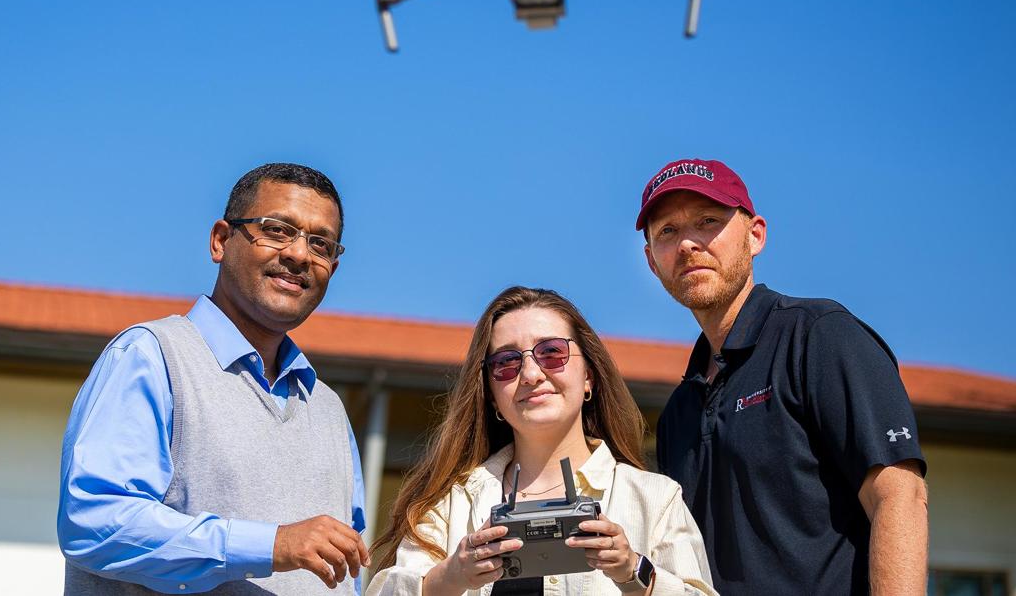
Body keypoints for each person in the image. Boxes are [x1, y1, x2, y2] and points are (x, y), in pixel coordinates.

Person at [59, 163, 370, 594]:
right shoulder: (152, 356)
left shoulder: (328, 408)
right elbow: (95, 523)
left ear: (331, 269)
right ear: (221, 240)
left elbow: (346, 575)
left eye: (321, 244)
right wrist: (272, 544)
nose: (299, 254)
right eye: (277, 230)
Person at [636, 158, 929, 596]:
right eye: (667, 232)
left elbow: (899, 497)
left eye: (709, 221)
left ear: (755, 235)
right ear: (651, 261)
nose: (687, 245)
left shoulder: (820, 337)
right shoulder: (679, 411)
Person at [367, 286, 716, 596]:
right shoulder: (449, 504)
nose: (531, 375)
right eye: (506, 362)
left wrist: (634, 572)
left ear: (589, 377)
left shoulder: (656, 499)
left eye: (551, 352)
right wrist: (451, 576)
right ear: (491, 396)